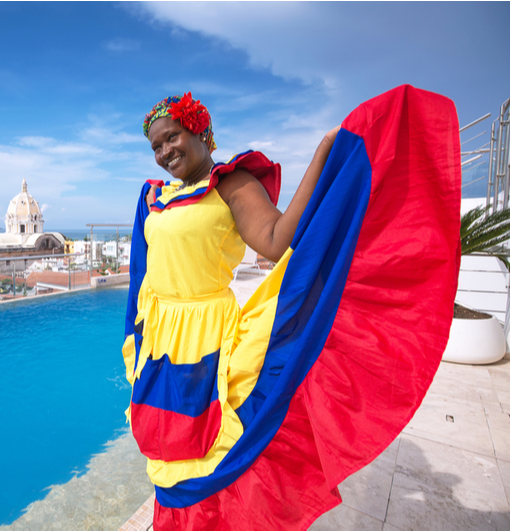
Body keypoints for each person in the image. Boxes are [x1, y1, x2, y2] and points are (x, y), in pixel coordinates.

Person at [123, 88, 461, 530]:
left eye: (173, 137)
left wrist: (322, 154)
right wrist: (138, 335)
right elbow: (142, 274)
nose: (166, 151)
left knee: (207, 455)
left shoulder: (230, 184)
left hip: (208, 337)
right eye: (156, 146)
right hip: (162, 341)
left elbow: (277, 238)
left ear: (202, 131)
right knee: (165, 453)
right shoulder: (153, 197)